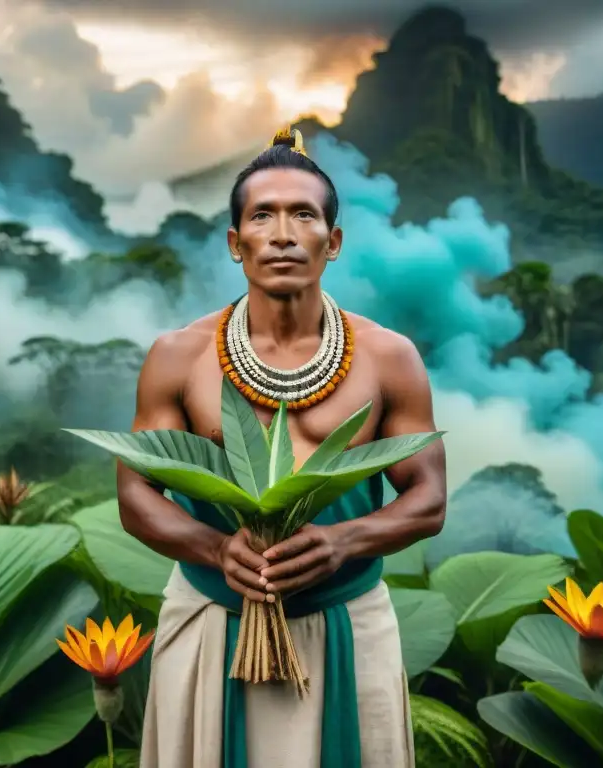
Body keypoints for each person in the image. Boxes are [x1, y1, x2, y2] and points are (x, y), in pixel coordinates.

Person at [120, 126, 447, 768]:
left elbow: (428, 498)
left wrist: (343, 541)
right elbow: (135, 493)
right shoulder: (179, 355)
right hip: (214, 616)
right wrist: (215, 548)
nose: (283, 232)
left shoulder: (387, 357)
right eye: (262, 216)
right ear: (236, 244)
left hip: (346, 617)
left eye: (303, 214)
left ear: (335, 241)